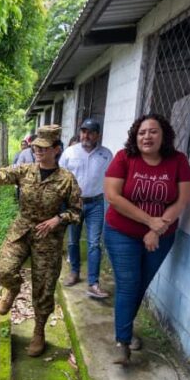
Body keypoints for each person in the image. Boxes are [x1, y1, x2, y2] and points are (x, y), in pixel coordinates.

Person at [0, 125, 81, 357]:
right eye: (36, 146)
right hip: (22, 230)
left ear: (56, 150)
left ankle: (38, 332)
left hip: (48, 238)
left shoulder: (67, 179)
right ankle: (12, 289)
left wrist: (58, 219)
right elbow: (3, 174)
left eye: (44, 148)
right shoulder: (26, 170)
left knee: (44, 288)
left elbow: (77, 212)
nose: (38, 150)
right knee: (2, 270)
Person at [103, 114, 190, 364]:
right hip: (121, 232)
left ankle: (126, 329)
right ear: (135, 135)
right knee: (129, 284)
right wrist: (148, 221)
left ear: (163, 135)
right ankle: (123, 341)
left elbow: (182, 199)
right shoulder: (124, 158)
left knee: (140, 284)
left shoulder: (178, 161)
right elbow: (112, 196)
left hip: (160, 236)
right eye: (142, 132)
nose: (147, 136)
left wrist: (156, 229)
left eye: (153, 132)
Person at [59, 118, 113, 299]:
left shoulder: (106, 155)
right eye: (83, 131)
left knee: (94, 243)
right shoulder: (69, 152)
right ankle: (74, 272)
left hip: (96, 203)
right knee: (73, 241)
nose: (86, 135)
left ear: (98, 135)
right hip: (74, 203)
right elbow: (60, 178)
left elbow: (111, 178)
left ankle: (93, 283)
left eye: (90, 132)